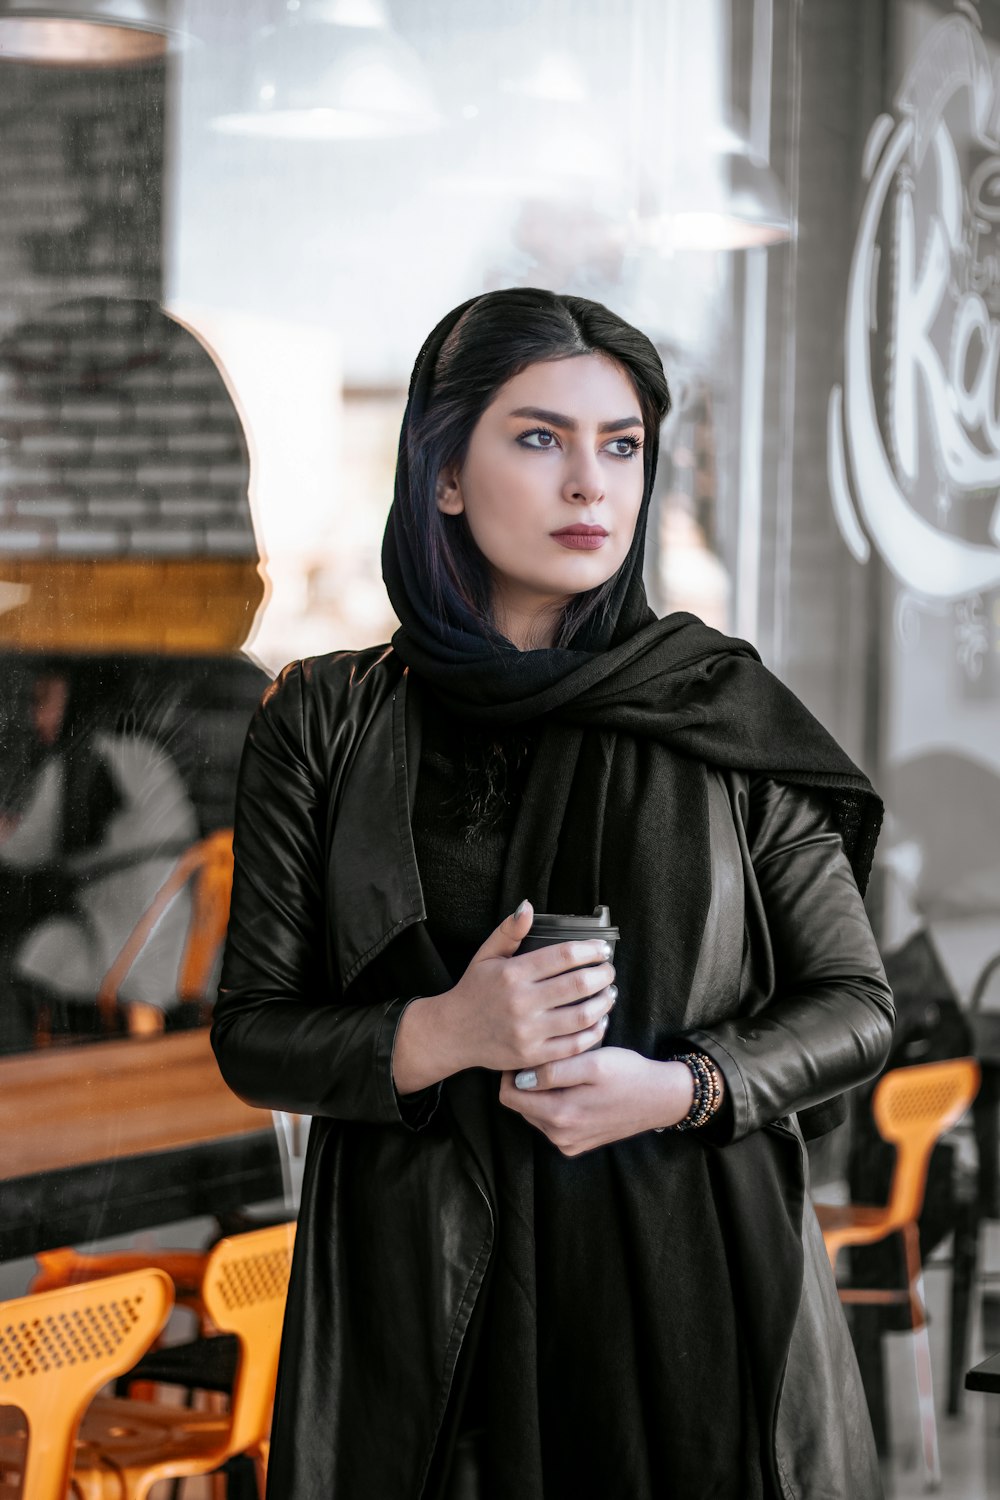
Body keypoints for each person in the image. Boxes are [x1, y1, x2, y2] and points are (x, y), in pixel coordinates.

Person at [211, 288, 895, 1500]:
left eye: (619, 445)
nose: (592, 485)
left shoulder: (717, 708)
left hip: (685, 1293)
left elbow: (854, 1005)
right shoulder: (323, 718)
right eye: (540, 438)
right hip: (421, 1306)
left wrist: (676, 1089)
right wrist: (441, 1033)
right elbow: (258, 1035)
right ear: (444, 477)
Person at [0, 666, 199, 1044]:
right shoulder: (138, 752)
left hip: (124, 951)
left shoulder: (84, 759)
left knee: (18, 954)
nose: (35, 715)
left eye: (43, 701)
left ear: (77, 701)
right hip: (179, 949)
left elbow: (27, 850)